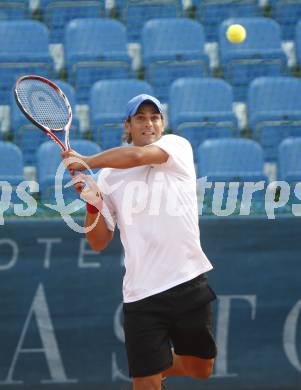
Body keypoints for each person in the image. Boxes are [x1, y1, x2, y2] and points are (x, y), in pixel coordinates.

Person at [62, 94, 217, 390]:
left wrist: (86, 161)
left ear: (162, 124)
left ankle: (156, 363)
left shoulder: (176, 146)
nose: (149, 123)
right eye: (140, 118)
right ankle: (148, 367)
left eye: (154, 117)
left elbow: (136, 157)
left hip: (188, 281)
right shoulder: (107, 178)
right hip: (141, 295)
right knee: (145, 382)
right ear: (128, 126)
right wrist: (93, 204)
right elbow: (98, 242)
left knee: (201, 369)